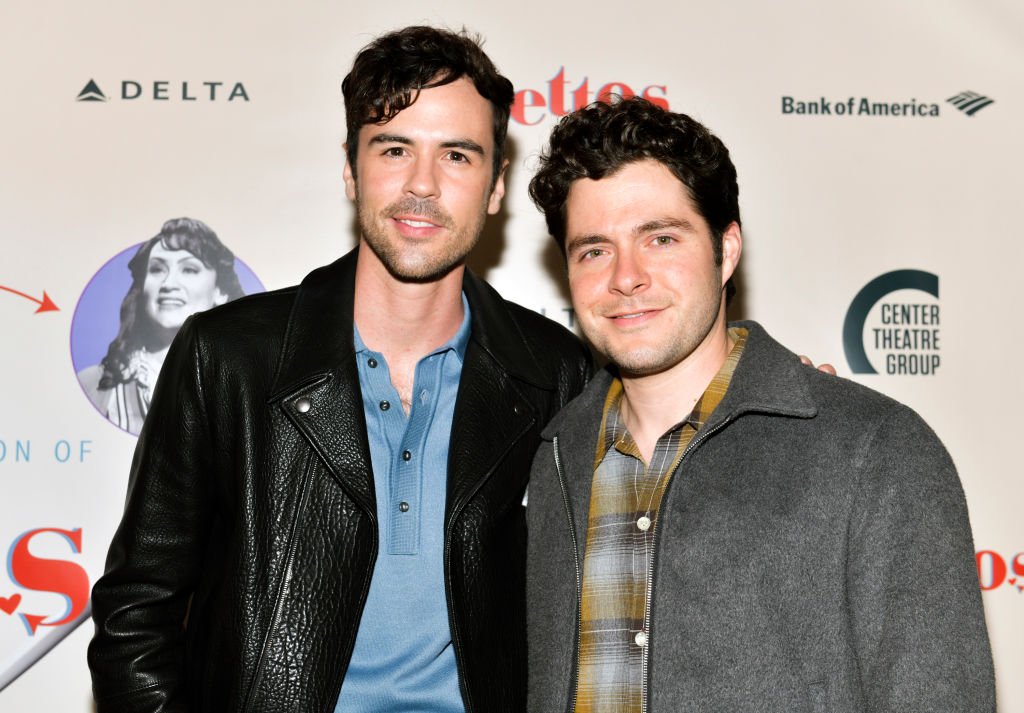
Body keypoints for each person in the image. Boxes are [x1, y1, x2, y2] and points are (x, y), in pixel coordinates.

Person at [87, 26, 591, 713]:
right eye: (393, 148)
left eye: (457, 155)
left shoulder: (556, 371)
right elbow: (134, 616)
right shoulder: (228, 356)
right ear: (351, 171)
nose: (422, 184)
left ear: (496, 186)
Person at [525, 98, 995, 712]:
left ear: (727, 250)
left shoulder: (876, 452)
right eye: (593, 250)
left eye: (661, 238)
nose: (626, 276)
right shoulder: (557, 457)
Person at [77, 217, 245, 435]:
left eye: (189, 270)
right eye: (157, 269)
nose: (168, 284)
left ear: (220, 291)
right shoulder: (93, 385)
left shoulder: (248, 388)